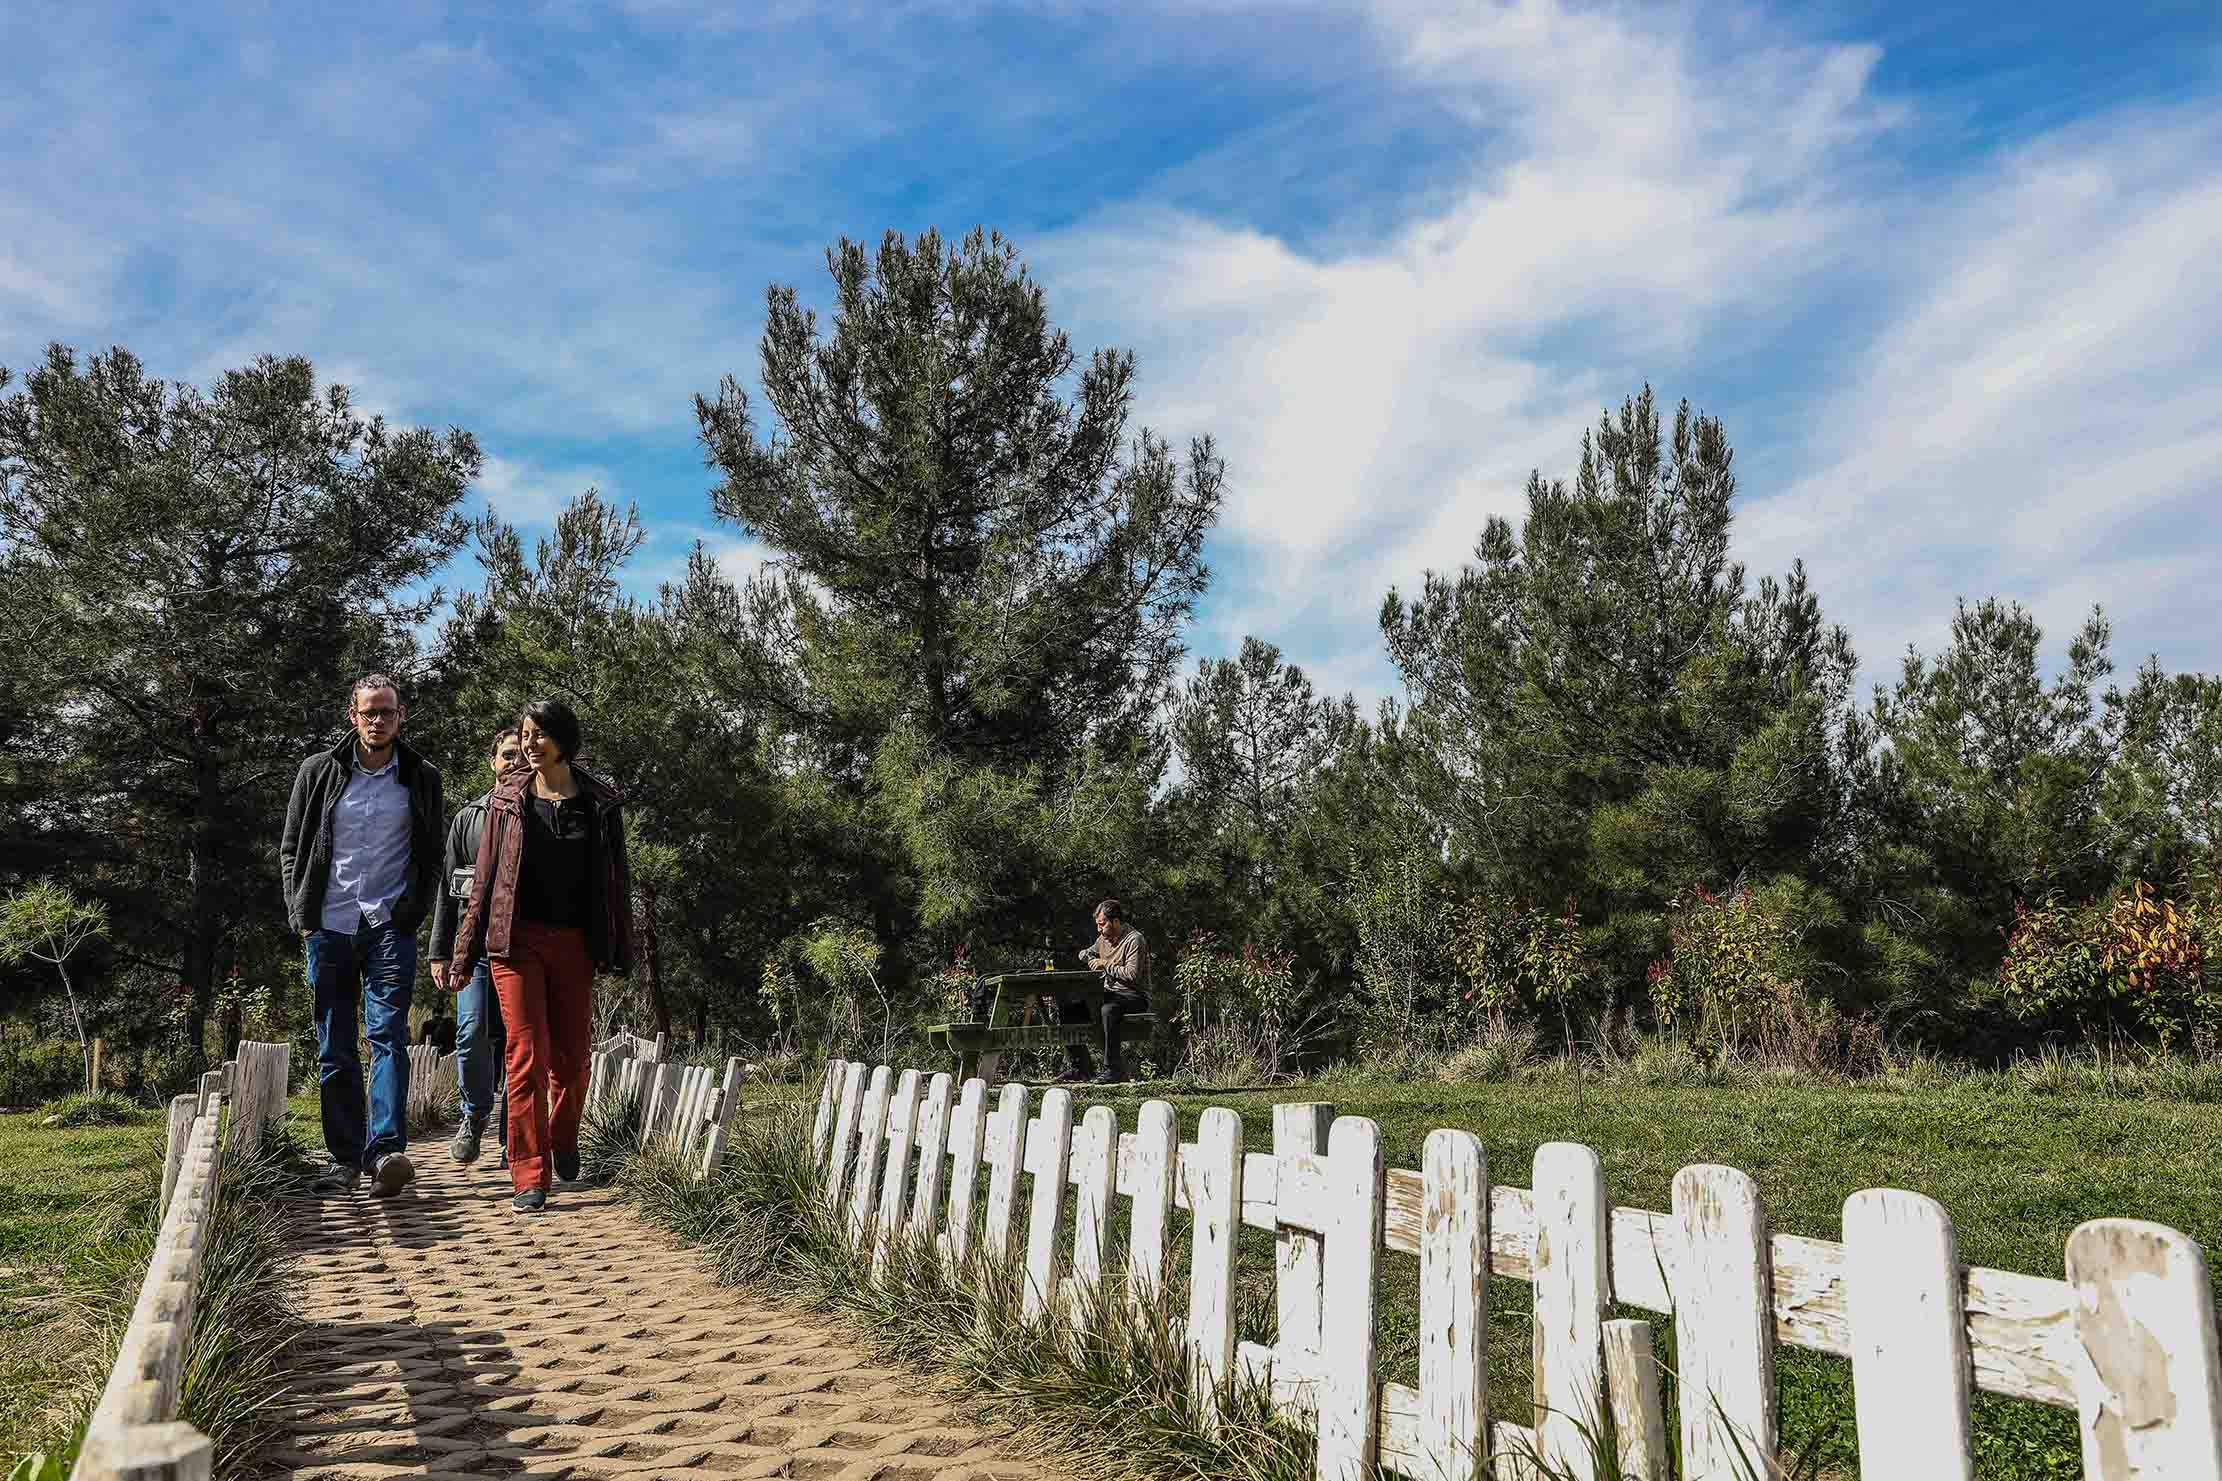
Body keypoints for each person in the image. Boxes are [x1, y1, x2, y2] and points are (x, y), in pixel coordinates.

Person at [453, 697, 633, 1213]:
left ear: (563, 741)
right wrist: (465, 952)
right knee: (525, 1056)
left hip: (575, 943)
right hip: (516, 942)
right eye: (524, 735)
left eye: (539, 735)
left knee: (573, 1060)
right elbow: (484, 881)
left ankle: (562, 1136)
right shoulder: (506, 802)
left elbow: (616, 883)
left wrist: (620, 947)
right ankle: (529, 1173)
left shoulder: (599, 804)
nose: (529, 745)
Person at [280, 673, 444, 1198]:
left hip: (388, 929)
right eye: (369, 712)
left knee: (388, 1036)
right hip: (329, 926)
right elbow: (292, 849)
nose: (378, 721)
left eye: (387, 712)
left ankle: (388, 1151)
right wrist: (302, 916)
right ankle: (345, 1158)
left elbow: (431, 857)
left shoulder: (421, 777)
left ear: (401, 718)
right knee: (334, 1046)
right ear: (352, 716)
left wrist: (410, 912)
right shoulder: (319, 772)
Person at [427, 724, 526, 1167]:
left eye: (520, 755)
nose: (515, 762)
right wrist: (439, 951)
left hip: (524, 951)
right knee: (470, 1034)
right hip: (475, 953)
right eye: (507, 755)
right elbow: (448, 890)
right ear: (492, 762)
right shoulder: (468, 818)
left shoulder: (542, 815)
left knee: (516, 1043)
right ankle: (474, 1114)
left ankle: (513, 1133)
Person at [1060, 898, 1151, 1084]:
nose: (1099, 930)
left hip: (1134, 995)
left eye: (1102, 925)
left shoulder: (1134, 940)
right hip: (1109, 994)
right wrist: (1086, 955)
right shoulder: (1103, 939)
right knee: (1070, 1007)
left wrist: (1105, 964)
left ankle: (1114, 1069)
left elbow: (1132, 974)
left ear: (1115, 921)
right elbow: (1086, 952)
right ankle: (1079, 1068)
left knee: (1108, 1010)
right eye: (1098, 925)